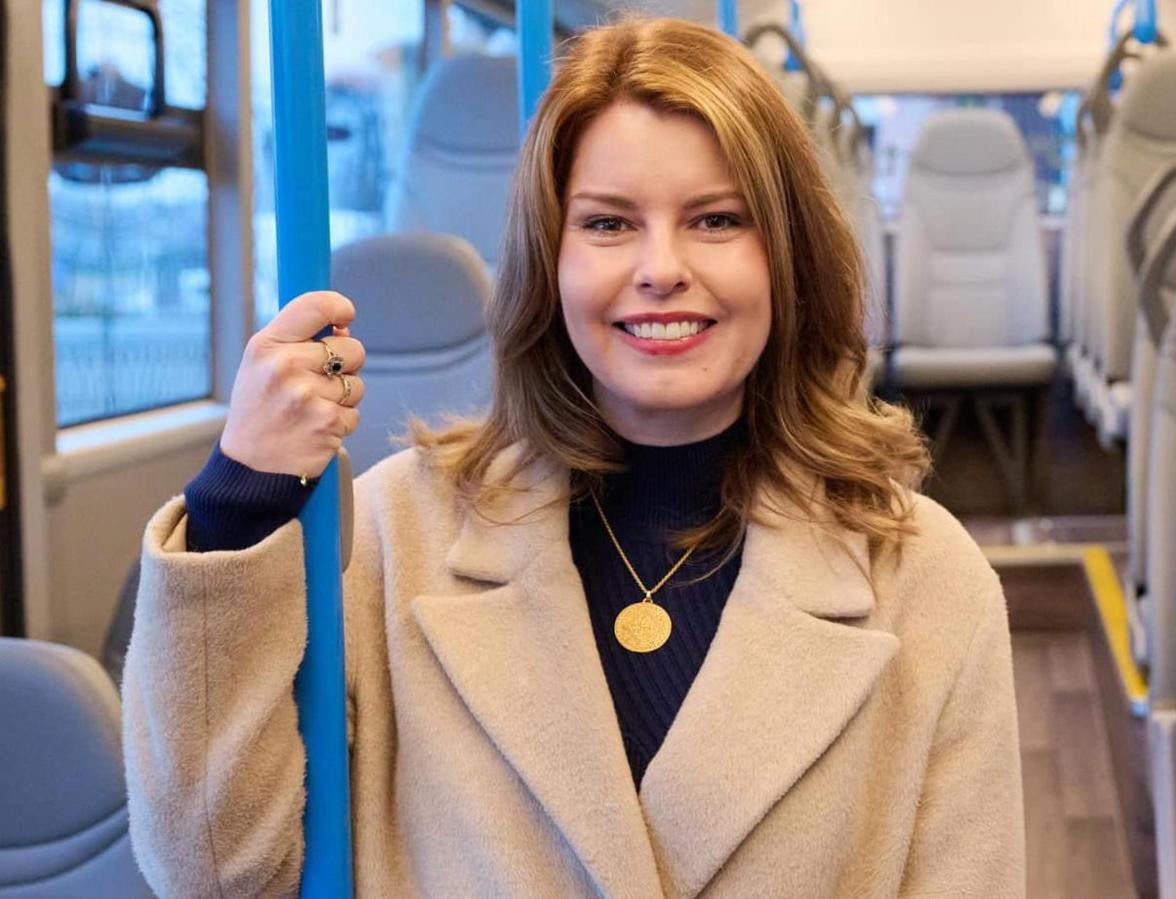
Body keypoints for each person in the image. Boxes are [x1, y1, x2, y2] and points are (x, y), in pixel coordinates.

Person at [124, 16, 1024, 898]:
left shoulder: (927, 580)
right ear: (548, 261)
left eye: (716, 220)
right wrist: (239, 498)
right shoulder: (392, 538)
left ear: (788, 258)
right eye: (607, 224)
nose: (661, 267)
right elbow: (215, 872)